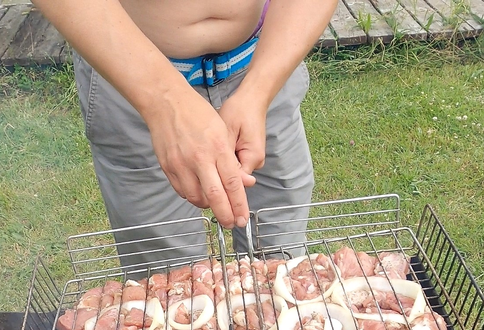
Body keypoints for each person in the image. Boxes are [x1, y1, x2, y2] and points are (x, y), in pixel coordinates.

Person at [33, 0, 338, 272]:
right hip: (131, 76)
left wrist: (258, 91)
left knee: (282, 269)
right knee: (168, 288)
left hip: (266, 61)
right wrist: (163, 103)